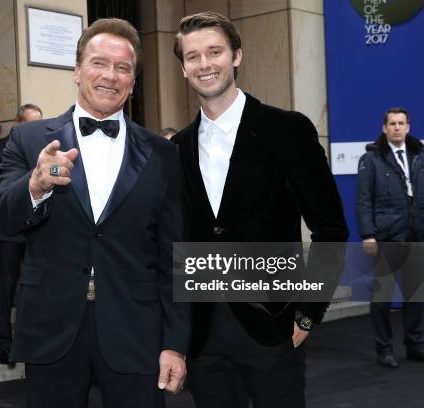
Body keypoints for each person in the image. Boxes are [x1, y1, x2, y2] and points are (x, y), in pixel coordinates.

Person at [0, 18, 189, 407]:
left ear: (133, 81)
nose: (110, 76)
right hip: (53, 327)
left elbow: (175, 255)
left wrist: (175, 343)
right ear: (77, 70)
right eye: (99, 63)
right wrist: (35, 186)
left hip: (136, 329)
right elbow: (1, 220)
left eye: (123, 68)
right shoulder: (29, 139)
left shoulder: (163, 153)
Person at [171, 12, 348, 408]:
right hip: (201, 336)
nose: (205, 64)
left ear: (236, 56)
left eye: (214, 51)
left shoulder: (288, 131)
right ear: (183, 68)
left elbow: (331, 229)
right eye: (193, 56)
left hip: (272, 325)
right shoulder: (175, 149)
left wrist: (308, 312)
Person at [356, 107, 424, 368]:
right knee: (382, 298)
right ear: (385, 128)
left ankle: (414, 344)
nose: (397, 127)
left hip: (415, 235)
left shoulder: (419, 155)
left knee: (415, 295)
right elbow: (363, 200)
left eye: (401, 123)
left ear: (408, 127)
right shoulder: (372, 159)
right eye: (392, 123)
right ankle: (384, 349)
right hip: (386, 236)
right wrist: (368, 234)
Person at [0, 103, 43, 364]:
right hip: (7, 229)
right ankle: (3, 344)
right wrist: (29, 179)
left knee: (34, 287)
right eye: (31, 124)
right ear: (17, 123)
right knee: (7, 286)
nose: (37, 130)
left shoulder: (44, 151)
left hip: (36, 228)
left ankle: (29, 341)